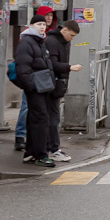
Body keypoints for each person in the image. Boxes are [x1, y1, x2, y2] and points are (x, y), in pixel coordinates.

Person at [13, 16, 55, 167]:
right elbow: (22, 66)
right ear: (31, 25)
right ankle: (41, 155)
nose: (42, 27)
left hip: (42, 87)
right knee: (40, 120)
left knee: (35, 120)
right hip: (35, 88)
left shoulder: (39, 41)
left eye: (44, 24)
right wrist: (31, 86)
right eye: (39, 24)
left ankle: (31, 152)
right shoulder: (26, 42)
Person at [42, 20, 82, 162]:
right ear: (64, 30)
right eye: (71, 35)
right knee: (53, 118)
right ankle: (52, 149)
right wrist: (69, 67)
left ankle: (50, 147)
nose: (71, 39)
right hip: (52, 84)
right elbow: (52, 64)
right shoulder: (53, 42)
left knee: (53, 117)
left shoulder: (59, 41)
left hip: (56, 84)